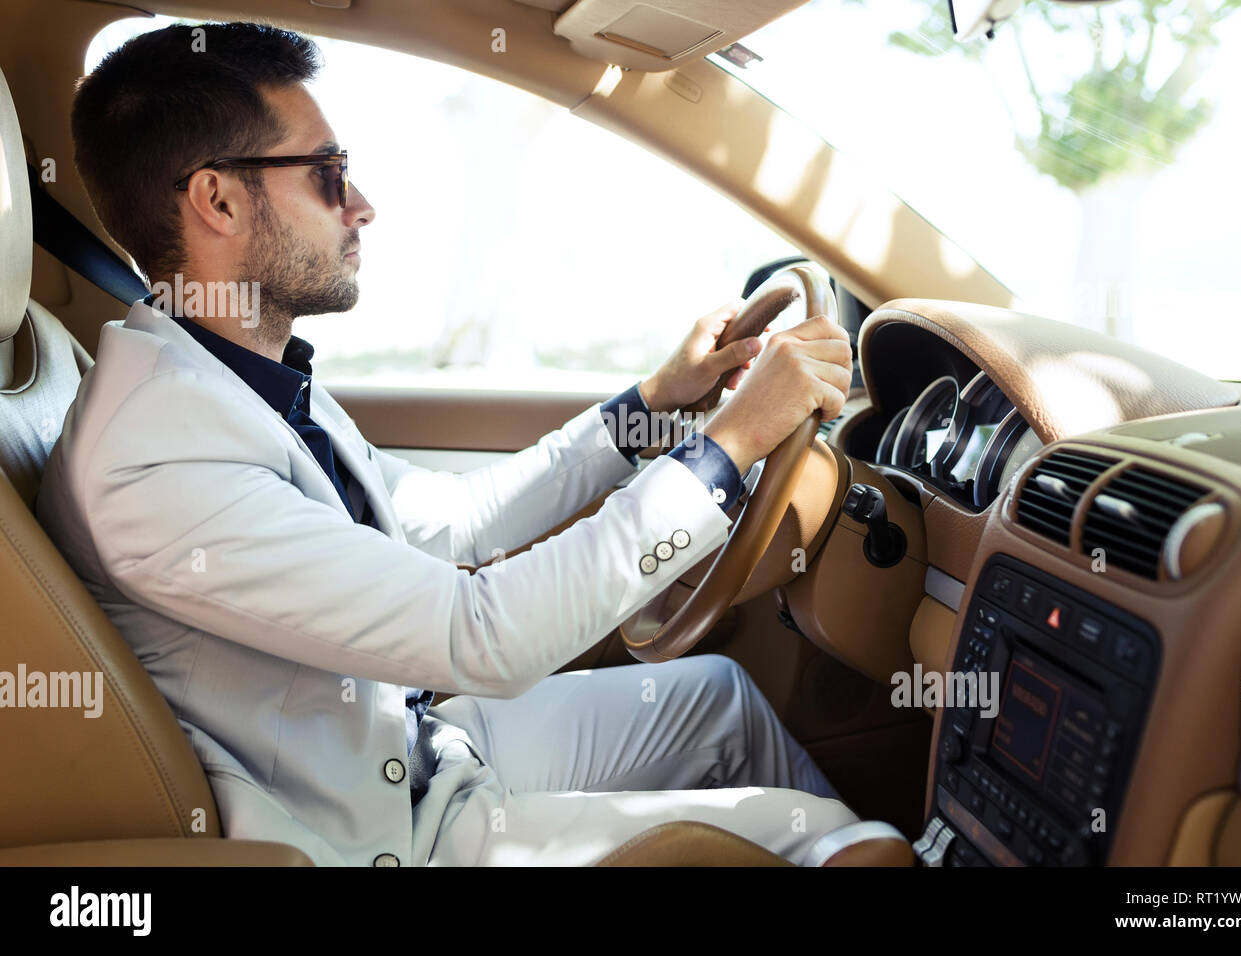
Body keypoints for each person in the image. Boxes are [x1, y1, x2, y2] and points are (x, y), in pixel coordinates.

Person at [37, 21, 867, 866]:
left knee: (718, 697)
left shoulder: (243, 377)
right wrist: (732, 443)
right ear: (217, 201)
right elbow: (480, 636)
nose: (362, 206)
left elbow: (456, 521)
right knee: (839, 841)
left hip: (416, 748)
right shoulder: (158, 457)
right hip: (386, 831)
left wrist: (654, 403)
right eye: (328, 175)